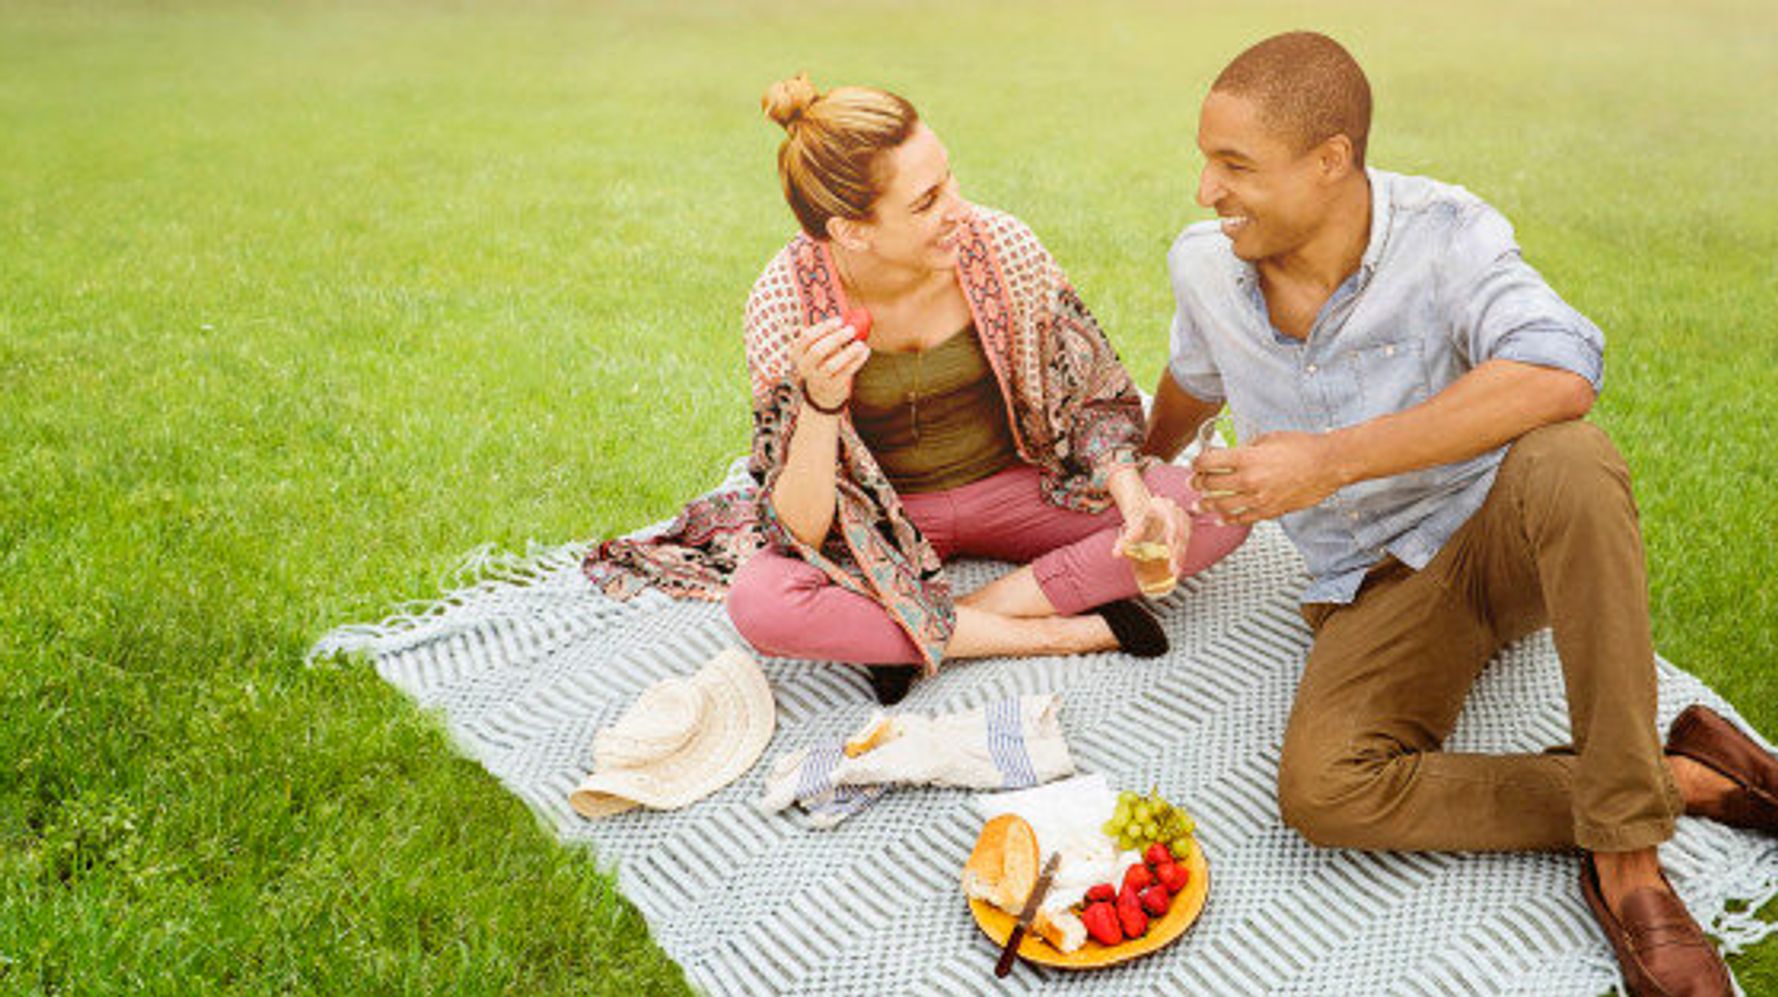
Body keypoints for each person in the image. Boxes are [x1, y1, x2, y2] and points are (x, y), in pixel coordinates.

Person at [1143, 31, 1777, 996]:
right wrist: (1140, 478)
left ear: (1331, 160)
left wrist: (1329, 460)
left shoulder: (1446, 233)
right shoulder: (1205, 263)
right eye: (1205, 161)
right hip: (1370, 586)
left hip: (1499, 531)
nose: (1206, 191)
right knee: (1325, 792)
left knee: (1572, 456)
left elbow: (1563, 369)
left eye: (1235, 166)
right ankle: (1681, 776)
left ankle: (1630, 865)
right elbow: (1189, 384)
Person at [717, 73, 1251, 704]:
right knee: (760, 603)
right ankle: (1066, 633)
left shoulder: (1000, 245)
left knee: (1215, 504)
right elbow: (802, 528)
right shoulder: (785, 303)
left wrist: (1136, 504)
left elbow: (1091, 397)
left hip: (1020, 484)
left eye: (949, 180)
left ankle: (937, 623)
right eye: (926, 202)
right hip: (887, 513)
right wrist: (819, 402)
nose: (959, 209)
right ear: (851, 231)